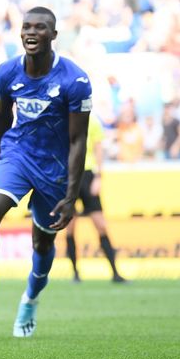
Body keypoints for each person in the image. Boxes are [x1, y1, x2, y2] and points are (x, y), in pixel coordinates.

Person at [0, 6, 91, 337]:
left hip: (55, 169)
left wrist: (72, 196)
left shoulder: (75, 81)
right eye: (27, 27)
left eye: (41, 27)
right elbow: (2, 117)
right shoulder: (7, 72)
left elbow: (78, 141)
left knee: (42, 244)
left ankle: (30, 299)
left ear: (53, 35)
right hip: (17, 155)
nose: (32, 32)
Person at [66, 114, 126, 283]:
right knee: (69, 226)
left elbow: (98, 148)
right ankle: (75, 274)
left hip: (87, 175)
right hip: (67, 176)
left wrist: (99, 176)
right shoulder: (59, 118)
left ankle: (115, 272)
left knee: (101, 225)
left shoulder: (91, 120)